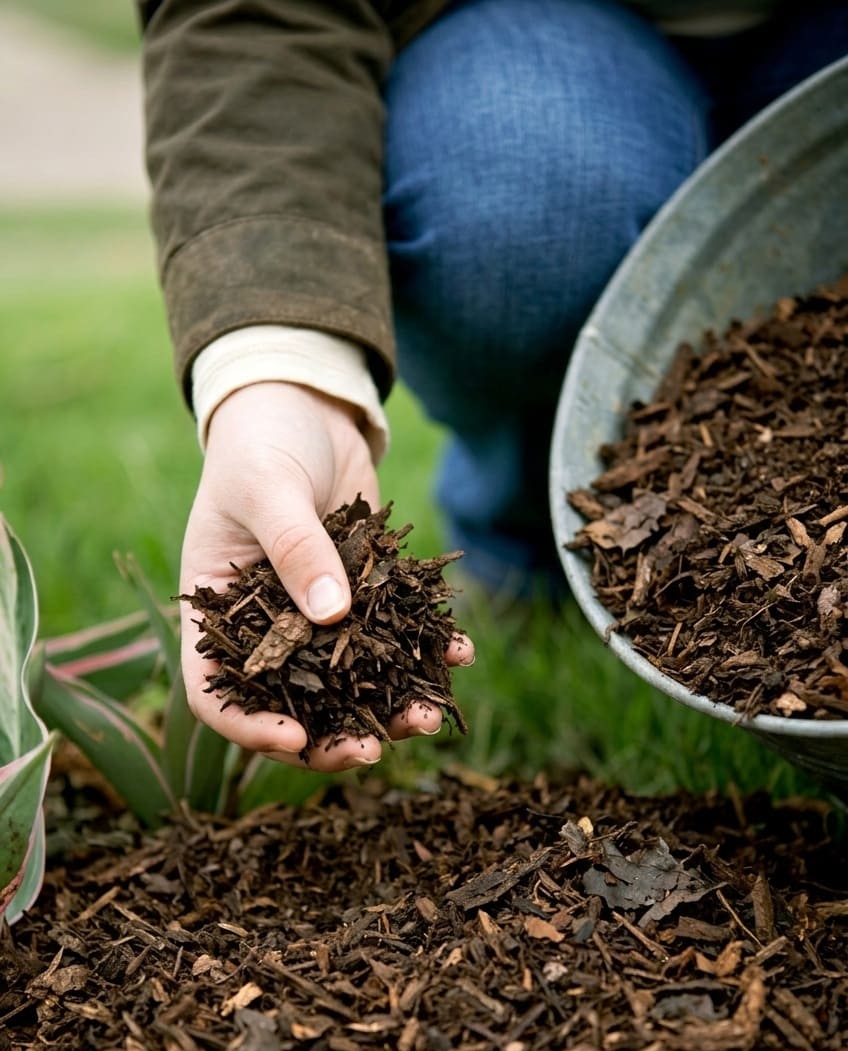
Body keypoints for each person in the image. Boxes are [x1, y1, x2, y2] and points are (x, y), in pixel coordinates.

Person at [138, 0, 848, 771]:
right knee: (520, 196)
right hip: (536, 35)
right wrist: (277, 383)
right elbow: (254, 17)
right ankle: (523, 543)